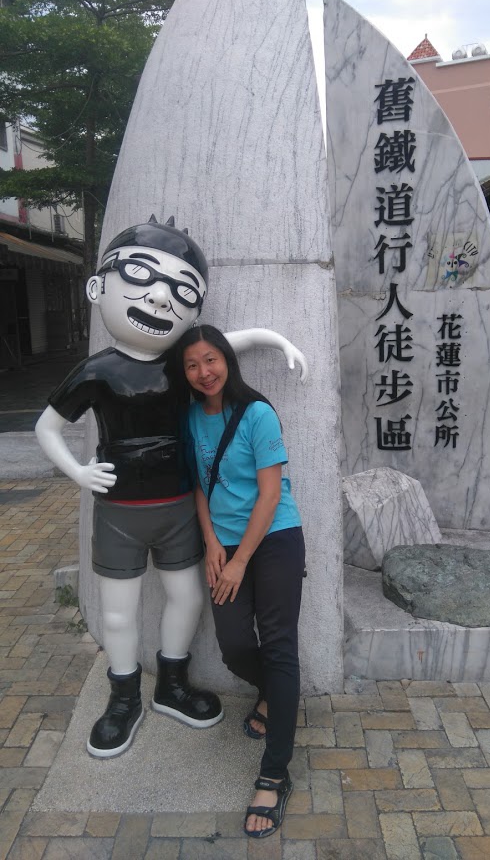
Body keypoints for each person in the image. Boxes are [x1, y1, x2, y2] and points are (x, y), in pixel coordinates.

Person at [35, 216, 308, 760]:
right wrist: (79, 473)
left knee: (187, 597)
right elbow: (47, 427)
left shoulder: (183, 366)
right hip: (118, 512)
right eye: (141, 275)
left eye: (181, 290)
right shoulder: (96, 371)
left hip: (182, 508)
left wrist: (276, 340)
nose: (161, 298)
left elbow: (223, 348)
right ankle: (122, 697)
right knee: (119, 610)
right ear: (98, 287)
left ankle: (172, 684)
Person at [178, 323, 305, 839]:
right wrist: (212, 543)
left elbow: (270, 495)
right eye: (192, 364)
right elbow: (199, 485)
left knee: (278, 645)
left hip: (274, 538)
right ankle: (275, 694)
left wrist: (239, 560)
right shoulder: (190, 417)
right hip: (224, 544)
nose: (203, 372)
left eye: (211, 359)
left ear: (227, 360)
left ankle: (274, 774)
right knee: (232, 644)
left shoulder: (257, 413)